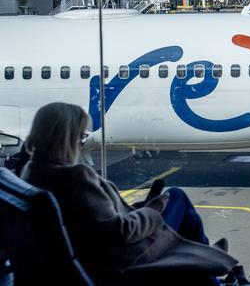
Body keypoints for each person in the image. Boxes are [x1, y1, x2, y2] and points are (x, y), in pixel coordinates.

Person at [20, 102, 237, 281]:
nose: (82, 143)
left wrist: (135, 209)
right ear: (66, 138)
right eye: (82, 136)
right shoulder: (76, 177)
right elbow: (119, 232)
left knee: (180, 210)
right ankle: (208, 260)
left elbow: (91, 220)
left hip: (89, 256)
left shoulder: (32, 171)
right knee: (177, 197)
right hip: (123, 260)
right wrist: (151, 211)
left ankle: (208, 261)